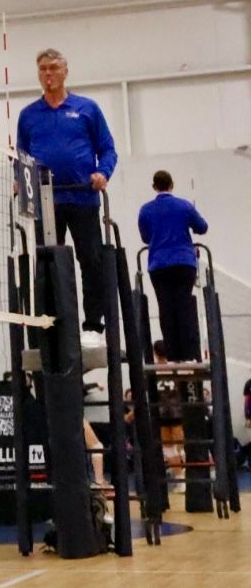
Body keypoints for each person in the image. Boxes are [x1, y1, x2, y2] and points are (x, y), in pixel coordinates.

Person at [16, 49, 117, 349]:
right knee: (48, 262)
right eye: (43, 69)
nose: (48, 74)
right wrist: (20, 182)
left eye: (54, 68)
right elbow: (21, 156)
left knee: (91, 259)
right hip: (45, 200)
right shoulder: (29, 115)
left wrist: (103, 173)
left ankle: (93, 325)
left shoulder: (87, 109)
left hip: (83, 196)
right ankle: (53, 323)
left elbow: (108, 149)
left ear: (65, 71)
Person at [138, 172, 208, 361]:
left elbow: (145, 237)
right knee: (183, 305)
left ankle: (173, 354)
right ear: (172, 184)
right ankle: (188, 353)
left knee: (165, 308)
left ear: (154, 187)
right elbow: (202, 227)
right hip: (184, 262)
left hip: (158, 264)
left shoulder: (145, 210)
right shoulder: (184, 205)